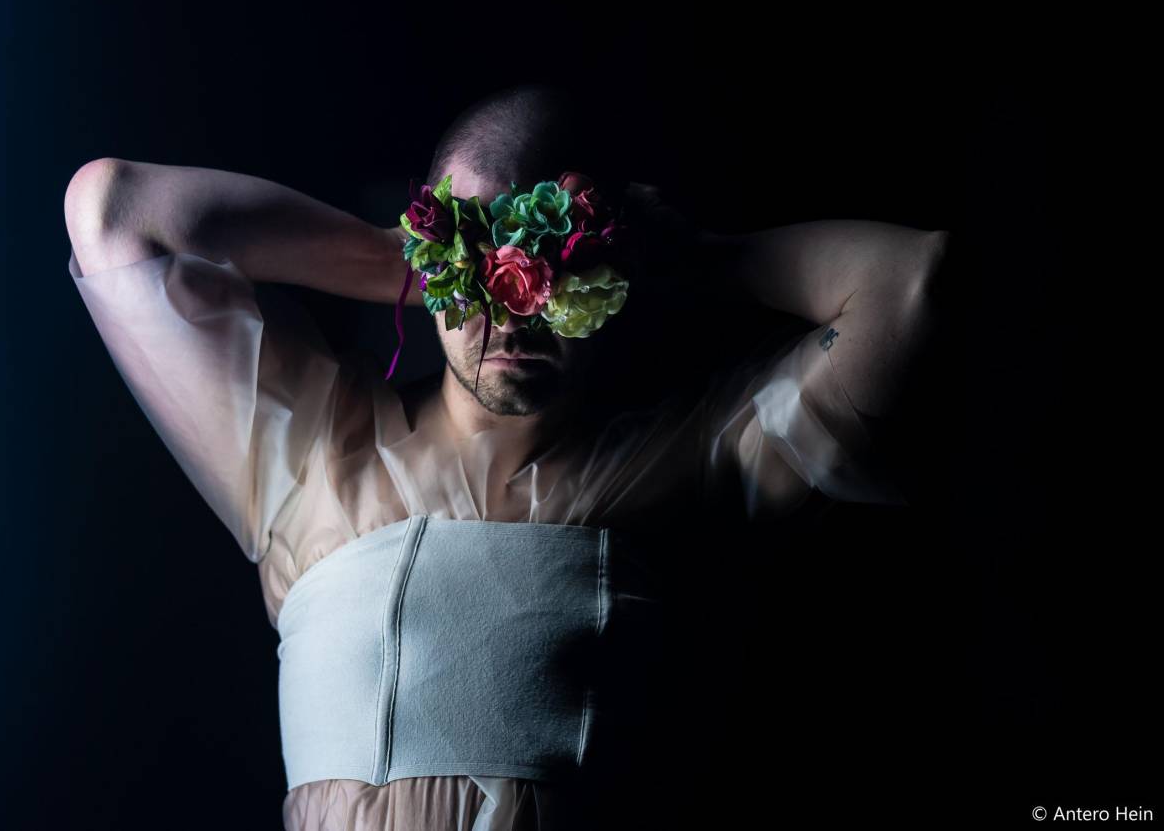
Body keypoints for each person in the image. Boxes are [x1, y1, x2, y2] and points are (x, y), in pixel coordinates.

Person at [63, 83, 950, 830]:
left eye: (555, 258)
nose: (513, 302)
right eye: (469, 250)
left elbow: (910, 283)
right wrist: (398, 260)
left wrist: (687, 257)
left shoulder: (691, 466)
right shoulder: (308, 456)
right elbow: (112, 211)